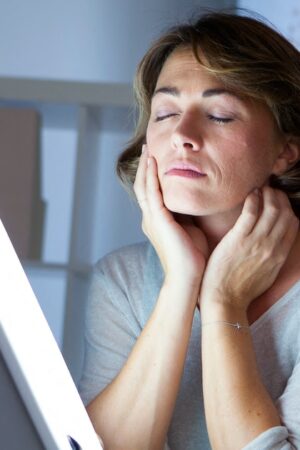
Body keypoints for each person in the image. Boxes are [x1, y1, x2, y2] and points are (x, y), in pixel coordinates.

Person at [79, 10, 300, 450]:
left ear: (285, 151)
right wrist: (181, 283)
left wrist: (224, 303)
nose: (183, 134)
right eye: (165, 113)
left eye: (219, 115)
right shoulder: (120, 280)